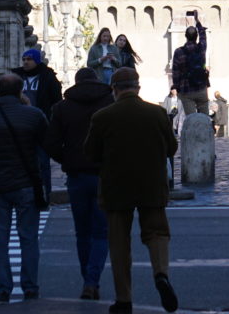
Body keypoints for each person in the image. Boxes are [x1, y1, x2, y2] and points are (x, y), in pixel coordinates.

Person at [83, 67, 180, 314]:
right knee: (157, 233)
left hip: (116, 187)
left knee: (119, 243)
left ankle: (124, 299)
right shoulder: (157, 113)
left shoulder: (102, 116)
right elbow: (172, 148)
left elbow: (91, 153)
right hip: (152, 185)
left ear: (114, 90)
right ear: (138, 88)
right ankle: (161, 273)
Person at [0, 73, 49, 303]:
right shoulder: (34, 115)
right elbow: (47, 146)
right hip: (26, 184)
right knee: (28, 238)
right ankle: (30, 286)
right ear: (20, 91)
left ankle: (2, 289)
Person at [44, 68, 114, 301]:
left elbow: (51, 143)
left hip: (76, 175)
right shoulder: (109, 104)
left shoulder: (62, 108)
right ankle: (92, 280)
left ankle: (88, 280)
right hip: (102, 174)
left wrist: (68, 159)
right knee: (101, 232)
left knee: (82, 233)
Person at [12, 47, 63, 192]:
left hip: (41, 125)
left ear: (36, 61)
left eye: (29, 59)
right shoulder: (16, 77)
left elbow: (56, 101)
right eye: (24, 59)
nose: (26, 62)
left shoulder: (48, 77)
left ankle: (45, 193)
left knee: (43, 162)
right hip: (20, 124)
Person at [170, 13, 210, 116]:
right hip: (201, 87)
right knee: (205, 117)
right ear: (196, 36)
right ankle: (205, 126)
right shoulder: (201, 48)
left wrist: (176, 87)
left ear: (185, 36)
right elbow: (203, 36)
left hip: (186, 89)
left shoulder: (179, 52)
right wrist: (197, 21)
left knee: (191, 118)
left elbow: (175, 72)